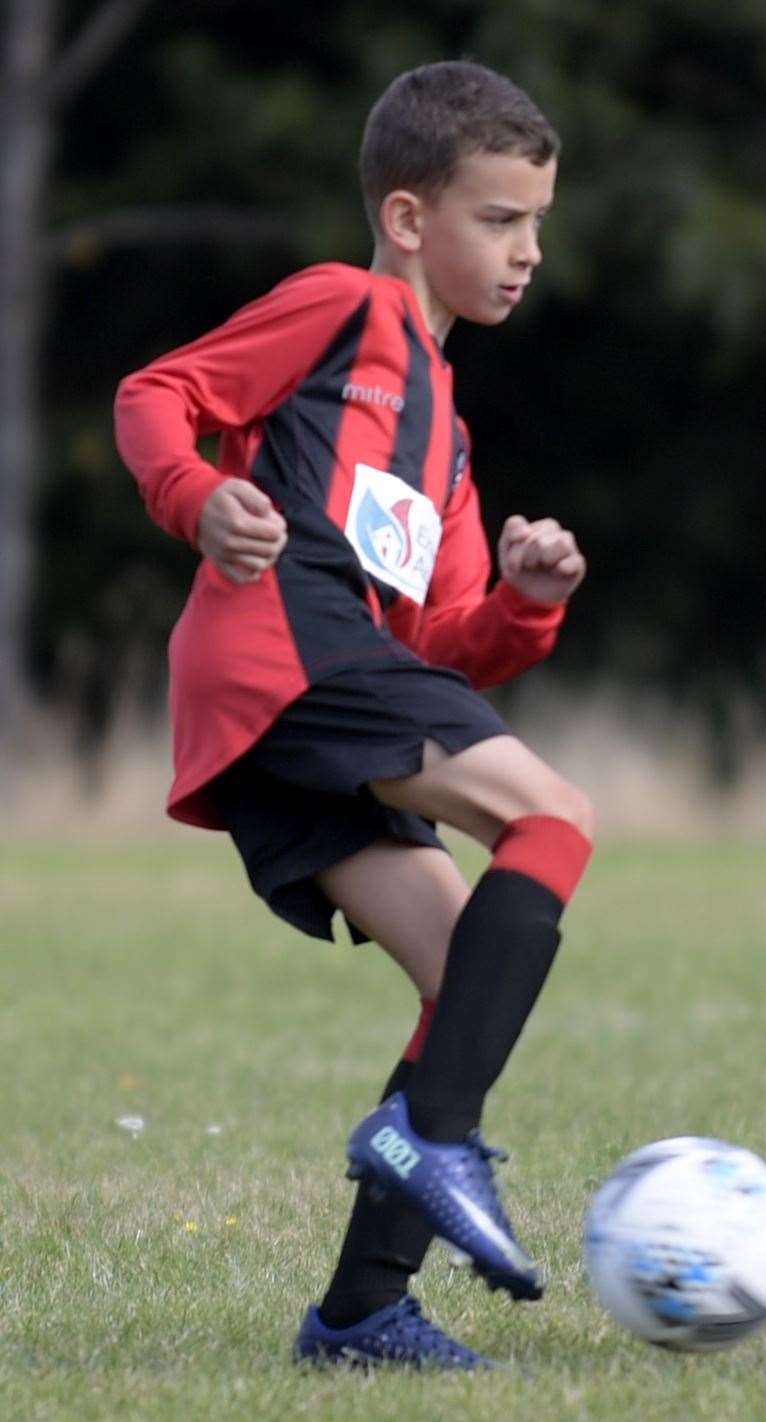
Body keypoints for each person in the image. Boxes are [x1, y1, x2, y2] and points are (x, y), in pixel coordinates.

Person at [114, 61, 595, 1370]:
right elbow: (157, 395)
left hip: (318, 703)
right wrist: (192, 496)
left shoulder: (448, 439)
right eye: (498, 220)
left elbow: (439, 646)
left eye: (535, 224)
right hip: (281, 661)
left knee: (464, 979)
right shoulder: (344, 311)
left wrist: (526, 603)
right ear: (404, 218)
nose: (526, 251)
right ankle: (431, 1138)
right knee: (555, 821)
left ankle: (359, 1310)